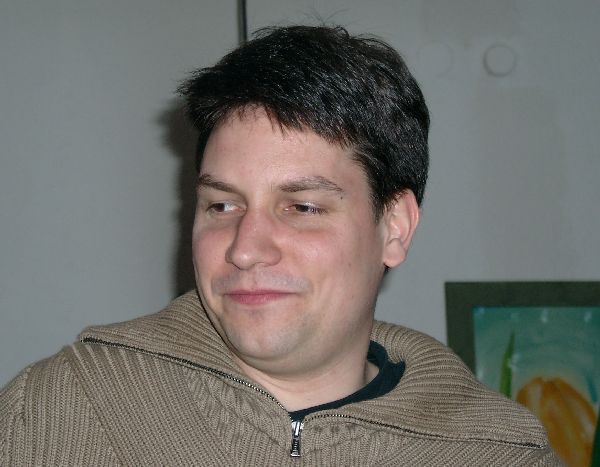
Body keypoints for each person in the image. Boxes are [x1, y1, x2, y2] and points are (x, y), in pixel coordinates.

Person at [0, 25, 560, 465]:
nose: (245, 249)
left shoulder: (501, 455)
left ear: (394, 227)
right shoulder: (52, 412)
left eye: (302, 207)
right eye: (222, 206)